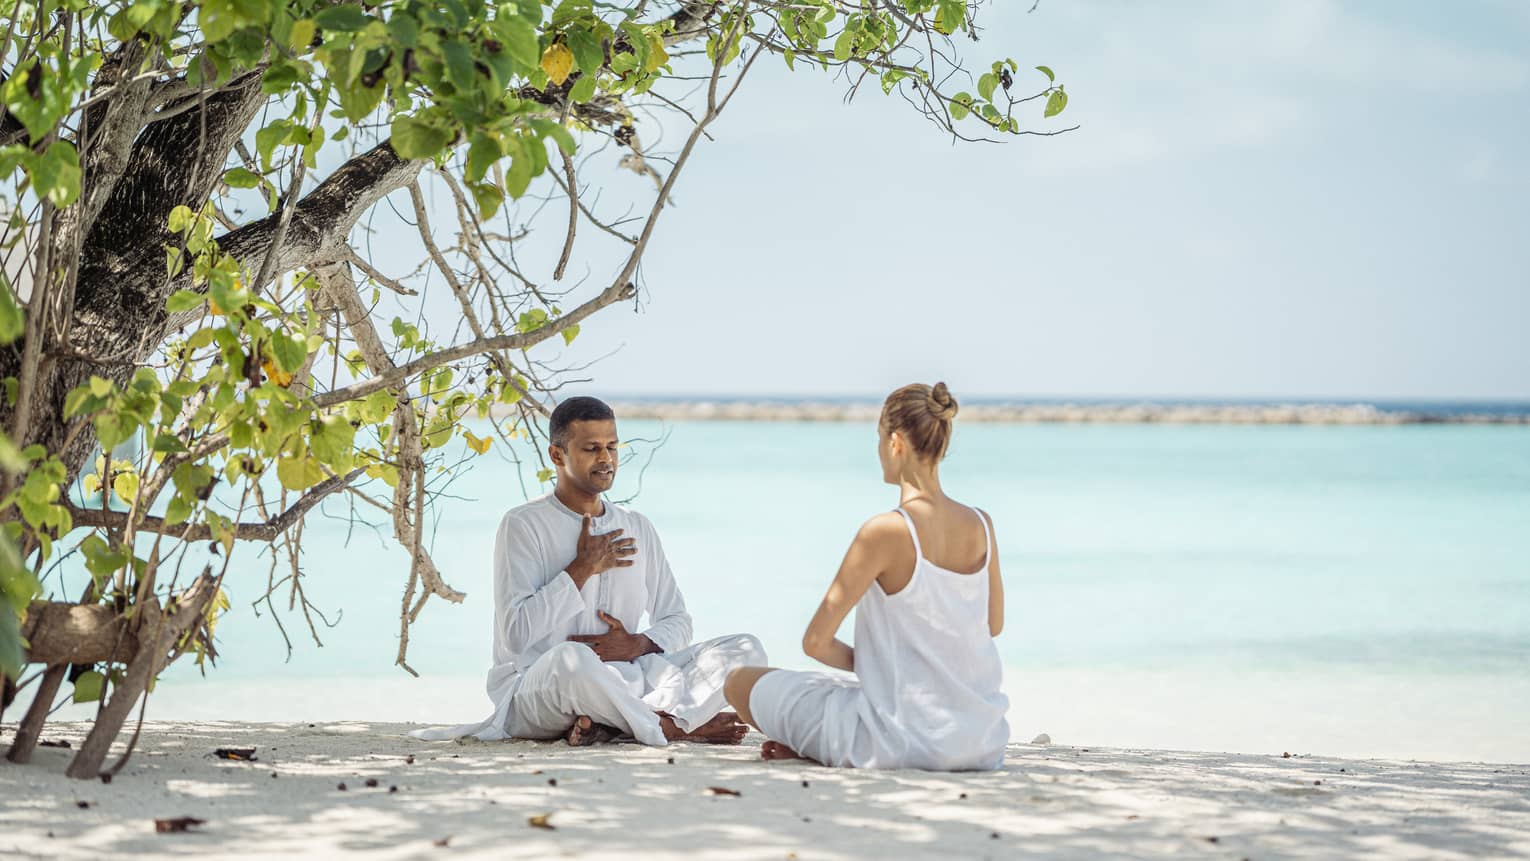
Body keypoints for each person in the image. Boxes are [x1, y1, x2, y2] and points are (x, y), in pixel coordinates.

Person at [411, 396, 766, 746]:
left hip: (630, 680)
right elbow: (516, 636)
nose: (606, 459)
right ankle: (678, 727)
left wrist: (638, 644)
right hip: (540, 689)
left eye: (612, 447)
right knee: (572, 659)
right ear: (557, 455)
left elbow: (677, 620)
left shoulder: (636, 526)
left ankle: (626, 724)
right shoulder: (524, 524)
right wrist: (582, 568)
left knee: (745, 648)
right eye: (591, 448)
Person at [722, 382, 1009, 770]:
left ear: (895, 443)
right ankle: (814, 744)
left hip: (901, 742)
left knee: (738, 681)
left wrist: (881, 666)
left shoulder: (886, 531)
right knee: (839, 693)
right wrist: (900, 667)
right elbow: (993, 625)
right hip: (982, 743)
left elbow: (815, 642)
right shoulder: (982, 524)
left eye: (878, 439)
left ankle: (817, 747)